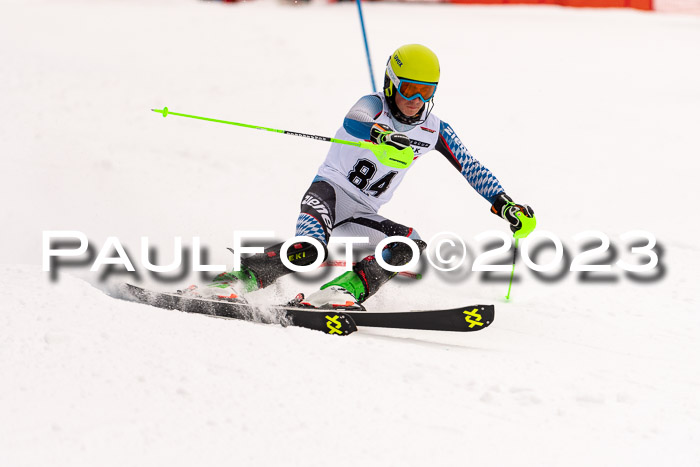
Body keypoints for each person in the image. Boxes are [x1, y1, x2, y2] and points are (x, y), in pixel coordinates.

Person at [195, 44, 535, 309]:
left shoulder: (435, 130)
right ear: (392, 83)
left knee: (409, 246)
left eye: (426, 92)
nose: (416, 101)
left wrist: (504, 204)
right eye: (409, 89)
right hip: (328, 192)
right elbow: (355, 119)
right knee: (309, 249)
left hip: (362, 214)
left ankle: (340, 291)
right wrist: (381, 134)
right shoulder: (373, 106)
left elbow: (471, 166)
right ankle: (231, 281)